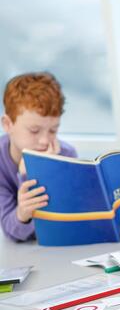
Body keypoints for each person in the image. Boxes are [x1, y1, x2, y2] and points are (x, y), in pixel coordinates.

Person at [0, 72, 77, 241]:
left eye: (53, 130)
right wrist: (28, 178)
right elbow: (12, 232)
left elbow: (65, 224)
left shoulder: (66, 154)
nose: (44, 141)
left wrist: (50, 169)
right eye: (34, 131)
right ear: (7, 124)